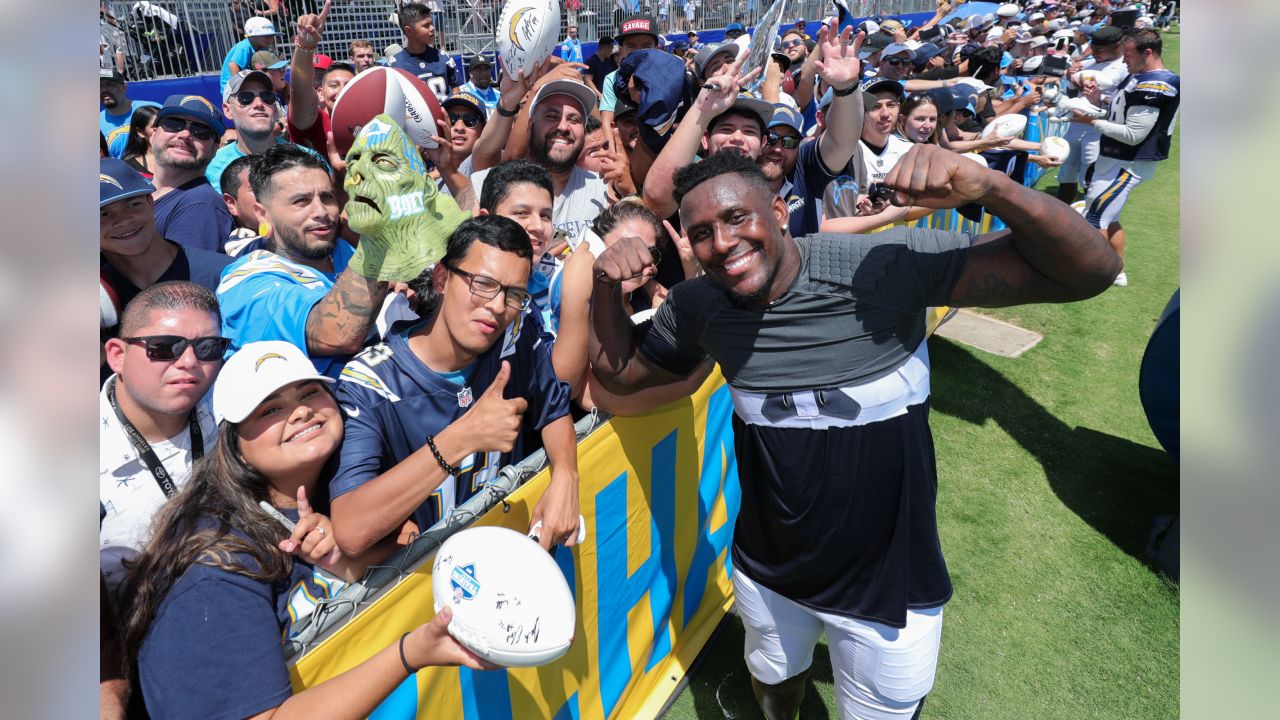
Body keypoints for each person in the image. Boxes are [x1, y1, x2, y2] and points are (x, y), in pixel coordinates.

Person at [589, 146, 1120, 719]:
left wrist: (995, 188)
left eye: (737, 217)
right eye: (701, 233)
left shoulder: (885, 266)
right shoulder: (700, 306)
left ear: (780, 210)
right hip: (766, 566)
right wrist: (603, 283)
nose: (721, 244)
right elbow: (621, 376)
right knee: (771, 673)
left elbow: (1090, 271)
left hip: (890, 584)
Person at [117, 339, 489, 719]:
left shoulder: (344, 494)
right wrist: (410, 653)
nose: (300, 412)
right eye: (271, 409)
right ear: (235, 445)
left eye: (310, 392)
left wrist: (346, 556)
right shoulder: (213, 568)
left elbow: (410, 539)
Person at [330, 215, 582, 557]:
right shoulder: (371, 382)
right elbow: (350, 528)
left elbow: (554, 408)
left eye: (514, 294)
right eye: (482, 283)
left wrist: (567, 475)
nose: (496, 306)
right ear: (441, 278)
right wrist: (462, 438)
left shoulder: (515, 337)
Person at [218, 124, 466, 375]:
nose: (321, 212)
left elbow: (471, 253)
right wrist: (380, 228)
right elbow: (338, 333)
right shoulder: (245, 283)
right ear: (263, 213)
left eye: (327, 197)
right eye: (301, 201)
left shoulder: (345, 252)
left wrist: (447, 170)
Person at [100, 282, 225, 590]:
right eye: (165, 346)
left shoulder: (236, 413)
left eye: (208, 347)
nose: (189, 362)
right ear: (117, 355)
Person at [1074, 27, 1180, 288]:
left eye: (1129, 55)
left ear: (1147, 52)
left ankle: (1087, 275)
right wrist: (1102, 101)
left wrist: (1091, 121)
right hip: (1114, 158)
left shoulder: (1158, 84)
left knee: (1096, 219)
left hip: (1128, 163)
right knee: (1105, 215)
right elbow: (1124, 109)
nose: (1123, 60)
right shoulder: (1139, 75)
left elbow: (1133, 134)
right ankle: (1116, 270)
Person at [471, 79, 608, 248]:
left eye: (574, 120)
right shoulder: (486, 184)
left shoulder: (605, 188)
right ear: (530, 126)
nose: (564, 127)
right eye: (551, 117)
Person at [100, 159, 232, 315]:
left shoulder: (225, 276)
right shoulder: (95, 301)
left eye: (133, 205)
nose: (123, 220)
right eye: (103, 214)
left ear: (151, 202)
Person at [206, 69, 325, 193]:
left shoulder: (308, 159)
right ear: (228, 110)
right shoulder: (210, 167)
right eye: (245, 97)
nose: (259, 104)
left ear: (274, 109)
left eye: (266, 97)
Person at [148, 95, 235, 254]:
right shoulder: (140, 190)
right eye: (174, 124)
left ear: (215, 149)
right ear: (153, 135)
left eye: (201, 131)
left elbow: (181, 279)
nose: (185, 134)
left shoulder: (200, 204)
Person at [1056, 25, 1128, 204]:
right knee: (1066, 172)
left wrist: (1100, 96)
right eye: (1093, 48)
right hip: (1076, 123)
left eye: (1099, 50)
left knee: (1092, 174)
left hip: (1100, 128)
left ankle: (1091, 219)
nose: (1094, 53)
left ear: (1117, 46)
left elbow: (1124, 105)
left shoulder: (1125, 68)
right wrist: (1071, 81)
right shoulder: (1088, 64)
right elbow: (1073, 96)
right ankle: (1061, 214)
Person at [390, 2, 458, 101]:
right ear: (409, 31)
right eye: (426, 25)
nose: (433, 28)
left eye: (432, 24)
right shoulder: (395, 66)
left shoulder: (443, 58)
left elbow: (456, 88)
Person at [100, 69, 161, 160]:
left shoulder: (152, 109)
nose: (104, 89)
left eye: (110, 84)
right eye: (99, 86)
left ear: (124, 87)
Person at [220, 16, 279, 94]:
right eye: (266, 36)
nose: (270, 39)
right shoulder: (244, 47)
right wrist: (240, 89)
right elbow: (233, 65)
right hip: (232, 89)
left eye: (272, 36)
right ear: (252, 36)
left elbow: (260, 68)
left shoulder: (263, 48)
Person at [120, 105, 159, 177]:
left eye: (164, 124)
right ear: (140, 132)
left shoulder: (179, 157)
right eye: (155, 126)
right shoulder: (128, 168)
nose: (161, 130)